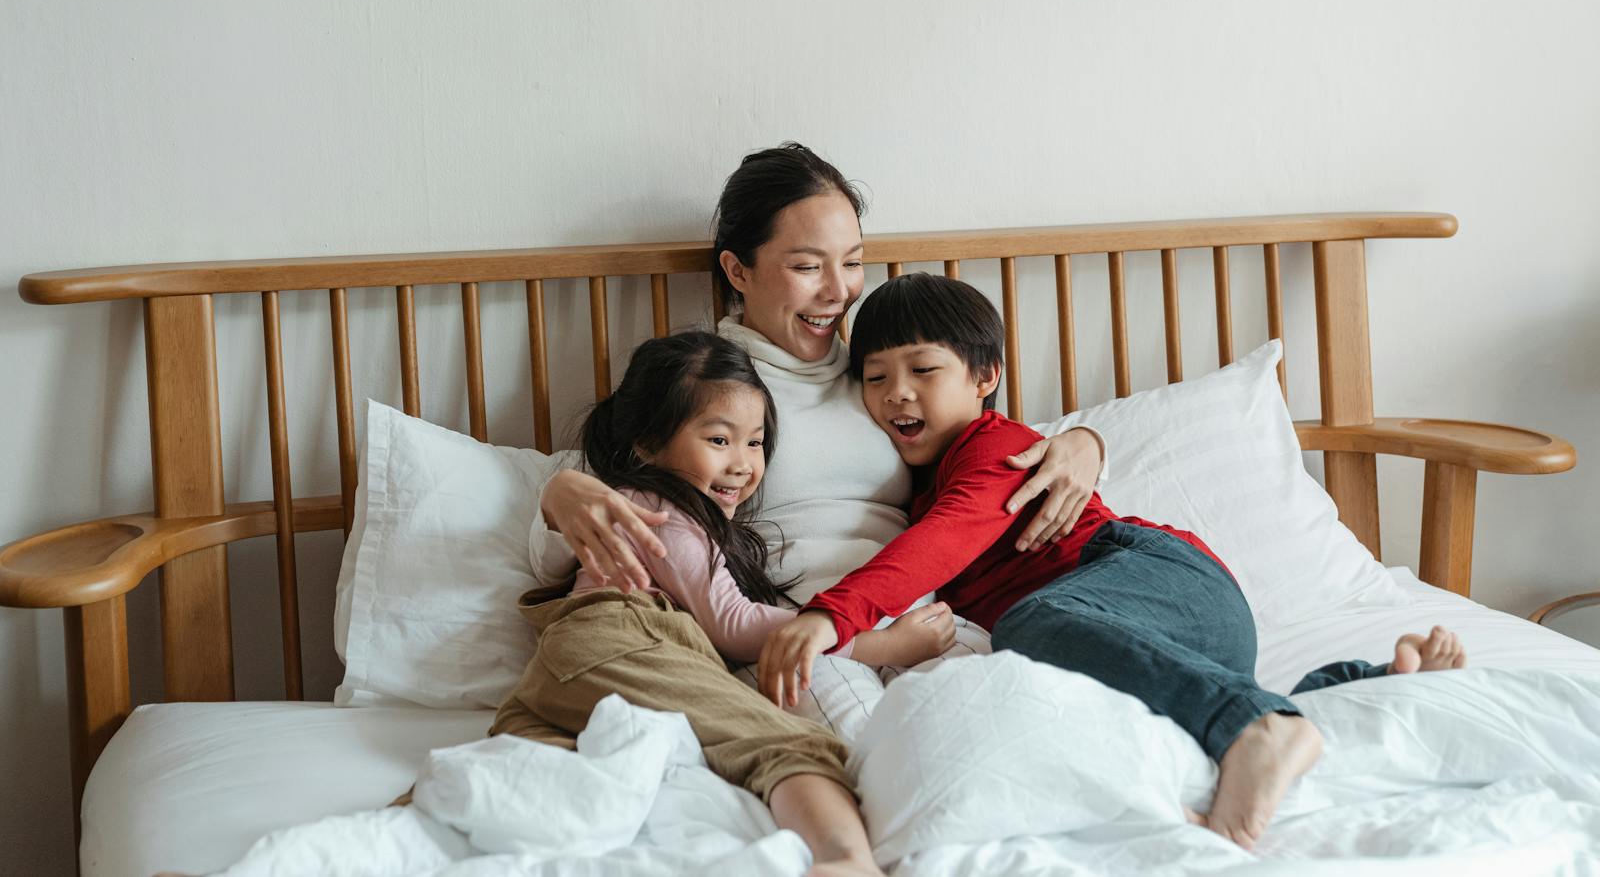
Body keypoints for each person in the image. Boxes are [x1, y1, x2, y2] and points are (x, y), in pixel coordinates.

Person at [756, 273, 1468, 851]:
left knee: (1031, 623)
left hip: (1151, 572)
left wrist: (829, 616)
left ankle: (1258, 725)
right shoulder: (916, 486)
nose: (896, 393)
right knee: (1107, 688)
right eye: (875, 378)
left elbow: (948, 535)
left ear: (985, 377)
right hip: (1151, 626)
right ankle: (1357, 686)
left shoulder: (997, 447)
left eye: (922, 369)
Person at [535, 141, 1107, 631]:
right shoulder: (704, 386)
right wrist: (558, 497)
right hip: (796, 631)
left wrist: (1085, 445)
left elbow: (979, 453)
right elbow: (600, 532)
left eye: (852, 263)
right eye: (808, 267)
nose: (839, 292)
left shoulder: (882, 376)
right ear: (737, 271)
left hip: (927, 625)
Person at [496, 330, 955, 877]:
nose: (742, 464)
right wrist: (883, 643)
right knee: (792, 742)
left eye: (755, 443)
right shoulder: (658, 510)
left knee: (523, 775)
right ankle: (845, 860)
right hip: (620, 639)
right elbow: (732, 623)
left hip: (581, 667)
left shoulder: (671, 514)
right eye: (718, 441)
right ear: (646, 443)